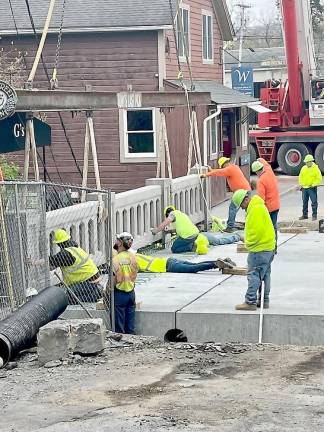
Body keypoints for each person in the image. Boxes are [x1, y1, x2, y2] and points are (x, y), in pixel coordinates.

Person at [231, 190, 275, 311]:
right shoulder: (259, 206)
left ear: (245, 200)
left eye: (241, 205)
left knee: (253, 274)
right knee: (265, 274)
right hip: (268, 247)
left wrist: (248, 243)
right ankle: (264, 300)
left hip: (259, 249)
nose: (242, 208)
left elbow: (256, 232)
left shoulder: (255, 210)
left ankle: (250, 301)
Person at [151, 206, 241, 254]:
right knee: (218, 241)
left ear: (167, 214)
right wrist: (170, 231)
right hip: (196, 234)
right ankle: (236, 237)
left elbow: (163, 224)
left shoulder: (172, 214)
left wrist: (155, 231)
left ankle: (192, 246)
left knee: (174, 249)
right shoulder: (181, 214)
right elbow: (181, 228)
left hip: (188, 238)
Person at [49, 228, 102, 304]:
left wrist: (35, 262)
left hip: (87, 281)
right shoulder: (75, 248)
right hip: (93, 277)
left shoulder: (66, 254)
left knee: (68, 298)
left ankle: (95, 294)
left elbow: (51, 260)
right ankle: (96, 291)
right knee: (71, 293)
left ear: (58, 244)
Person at [200, 157, 251, 233]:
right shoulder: (233, 167)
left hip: (242, 192)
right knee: (248, 209)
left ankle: (230, 227)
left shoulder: (229, 169)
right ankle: (249, 225)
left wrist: (206, 174)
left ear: (224, 164)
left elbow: (220, 172)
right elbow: (221, 171)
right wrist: (211, 170)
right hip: (244, 191)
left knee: (232, 208)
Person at [112, 232, 138, 334]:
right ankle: (132, 339)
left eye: (117, 240)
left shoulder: (115, 259)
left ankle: (122, 340)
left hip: (120, 293)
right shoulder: (133, 257)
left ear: (119, 243)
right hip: (131, 292)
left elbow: (113, 279)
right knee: (130, 322)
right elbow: (135, 273)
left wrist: (108, 291)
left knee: (119, 323)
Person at [251, 159, 280, 239]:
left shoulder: (261, 181)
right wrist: (259, 159)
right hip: (276, 205)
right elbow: (266, 164)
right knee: (274, 227)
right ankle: (274, 248)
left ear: (256, 171)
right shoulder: (269, 171)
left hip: (268, 208)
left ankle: (269, 247)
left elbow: (261, 199)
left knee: (268, 228)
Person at [136, 253, 236, 274]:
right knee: (195, 264)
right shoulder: (135, 255)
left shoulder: (132, 261)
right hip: (168, 260)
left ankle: (216, 264)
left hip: (168, 266)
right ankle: (222, 261)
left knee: (194, 269)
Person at [298, 155, 322, 221]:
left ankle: (314, 215)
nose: (307, 163)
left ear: (311, 161)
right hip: (304, 188)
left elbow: (319, 178)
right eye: (306, 162)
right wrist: (301, 184)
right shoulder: (303, 168)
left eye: (308, 162)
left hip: (312, 188)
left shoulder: (315, 169)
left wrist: (314, 184)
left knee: (314, 202)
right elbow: (300, 177)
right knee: (304, 202)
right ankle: (304, 215)